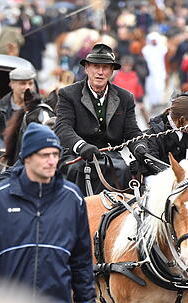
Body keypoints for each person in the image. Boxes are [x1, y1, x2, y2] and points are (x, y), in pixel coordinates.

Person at [0, 123, 100, 303]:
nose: (51, 161)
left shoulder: (72, 198)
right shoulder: (0, 197)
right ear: (27, 157)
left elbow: (81, 261)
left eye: (55, 155)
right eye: (44, 155)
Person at [55, 43, 142, 195]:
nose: (100, 72)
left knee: (129, 172)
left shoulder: (125, 97)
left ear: (112, 71)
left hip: (113, 157)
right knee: (76, 171)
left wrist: (142, 146)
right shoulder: (68, 94)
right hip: (78, 155)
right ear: (86, 68)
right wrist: (81, 146)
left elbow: (132, 131)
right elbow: (63, 127)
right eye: (96, 66)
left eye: (105, 67)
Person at [134, 92, 188, 175]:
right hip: (158, 177)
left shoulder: (187, 130)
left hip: (181, 178)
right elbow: (153, 164)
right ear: (182, 119)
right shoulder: (155, 133)